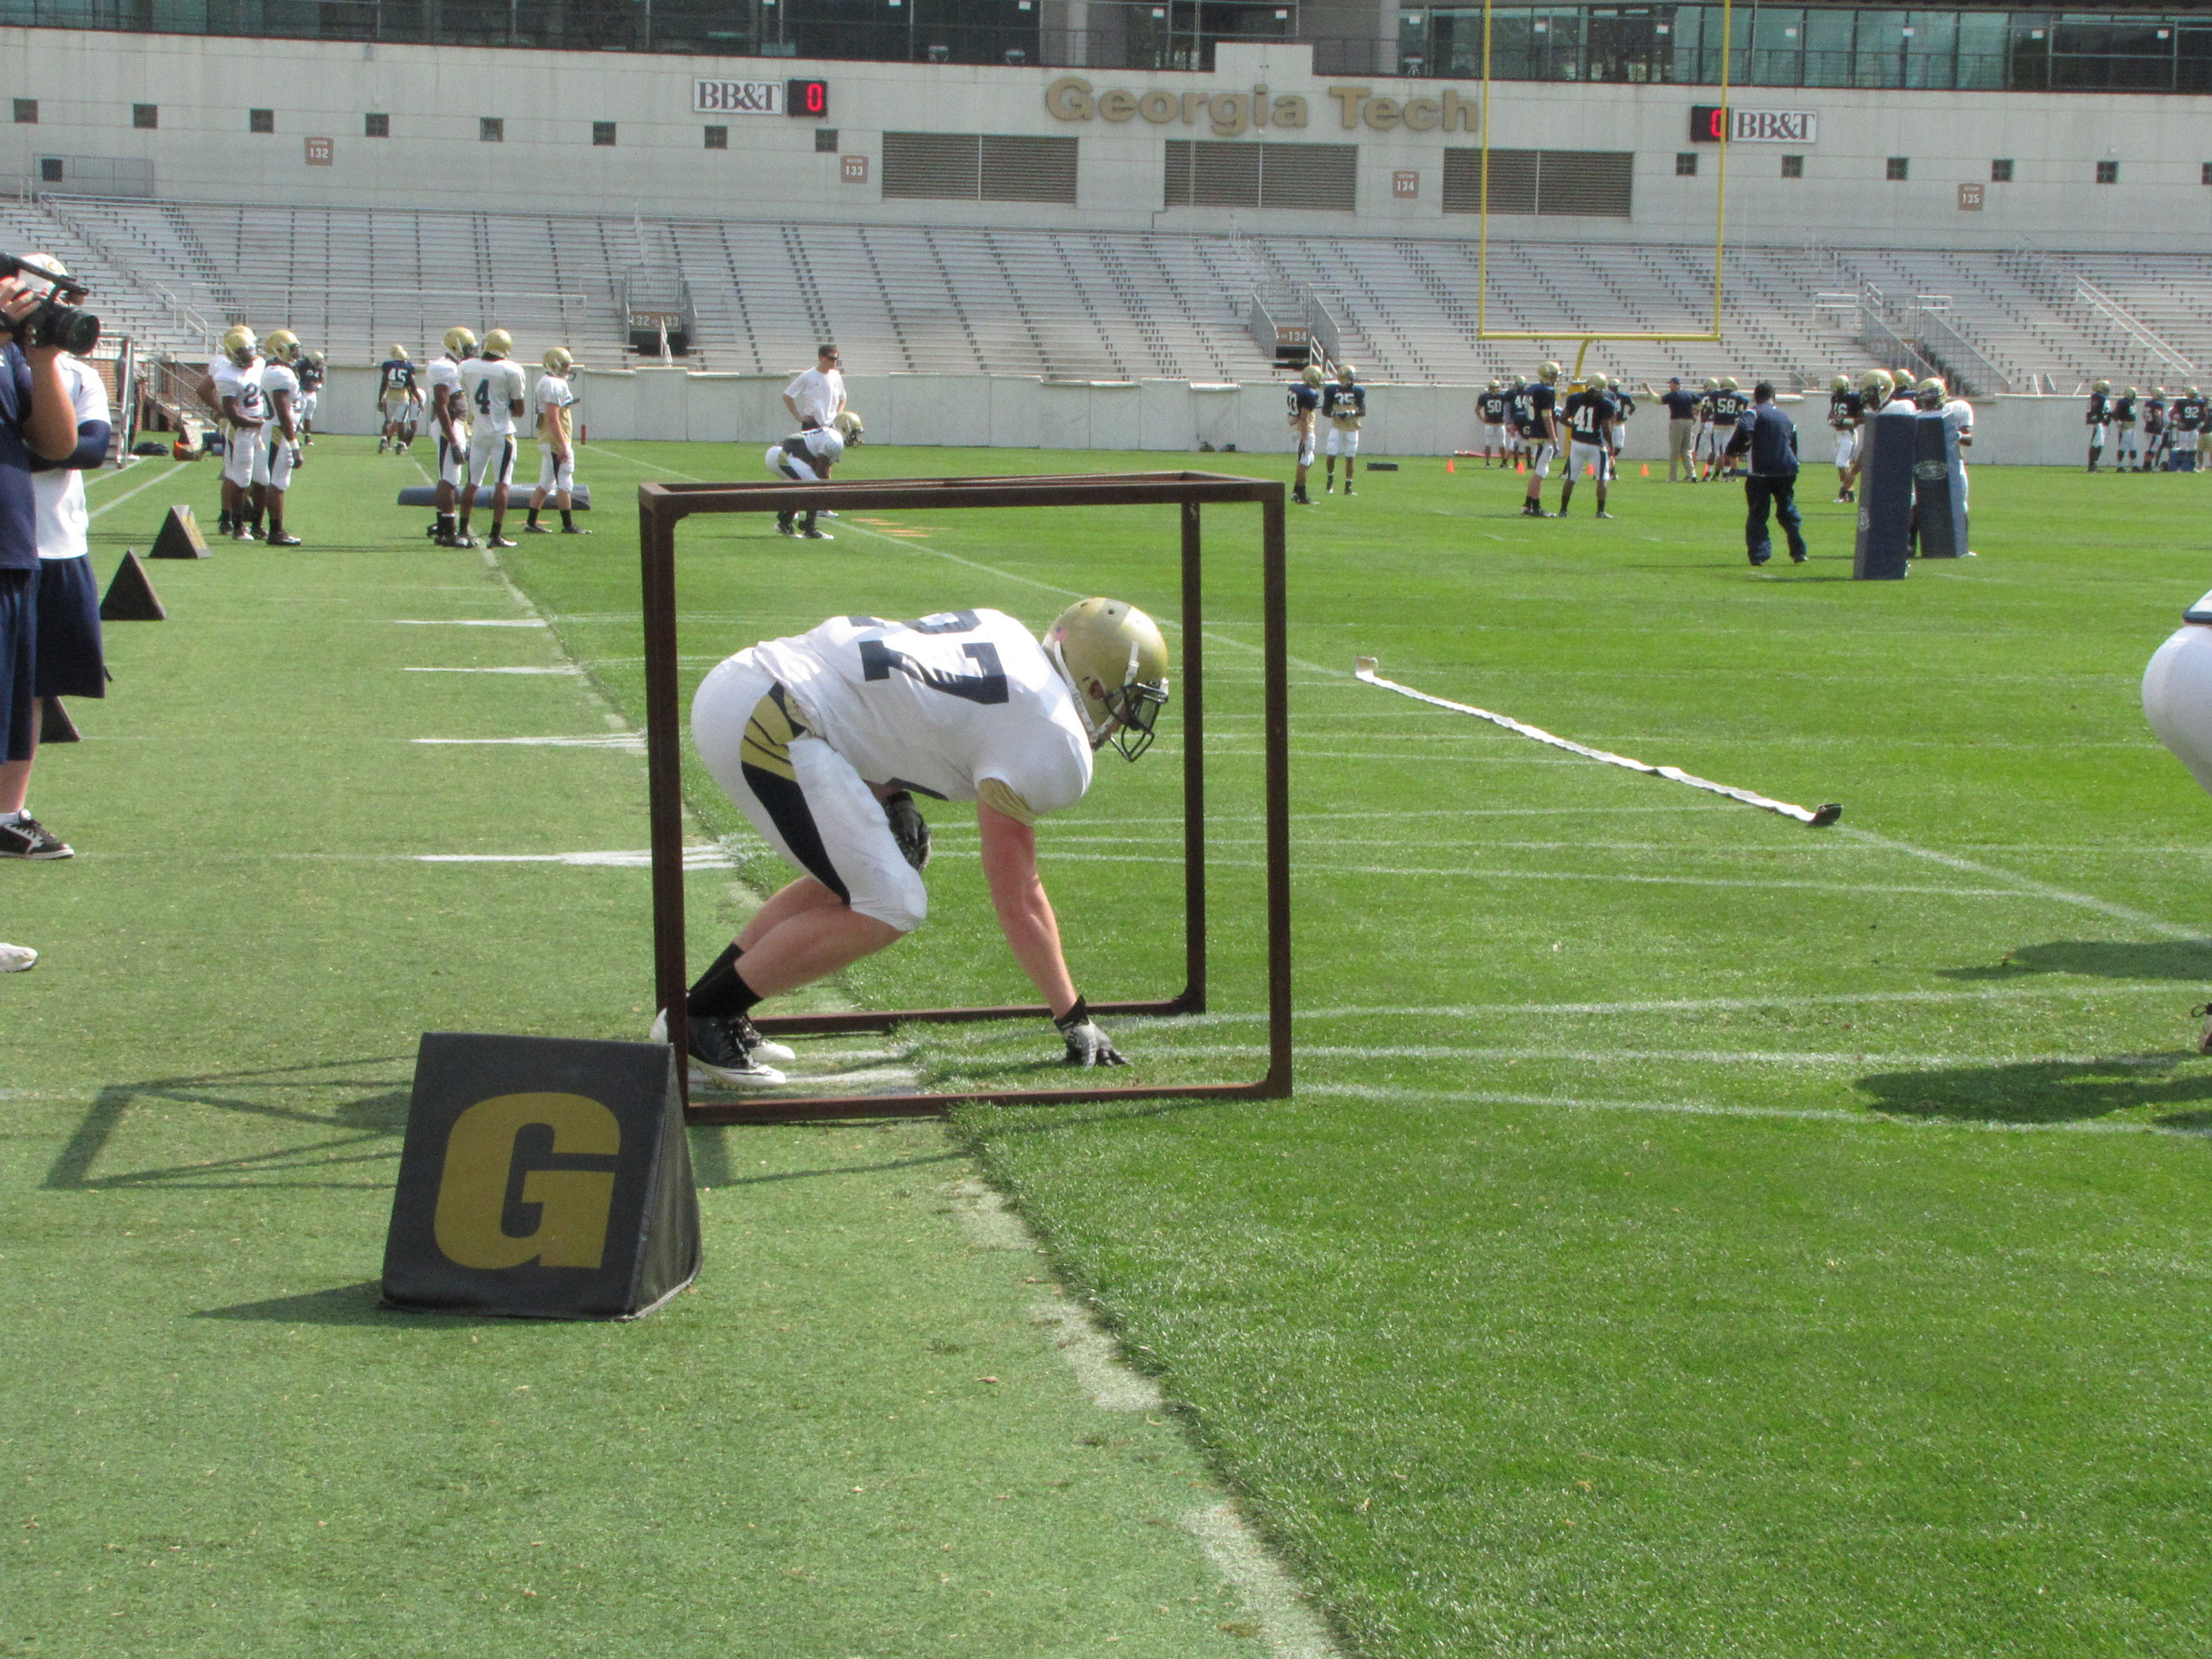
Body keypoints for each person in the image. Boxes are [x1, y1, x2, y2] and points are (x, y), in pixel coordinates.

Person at [673, 599, 1171, 1084]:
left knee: (871, 872)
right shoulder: (1052, 737)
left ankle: (698, 1011)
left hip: (757, 686)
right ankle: (704, 1016)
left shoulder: (1008, 634)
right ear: (1097, 685)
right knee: (894, 903)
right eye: (1128, 703)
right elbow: (1019, 892)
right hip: (773, 719)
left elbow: (891, 700)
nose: (1127, 721)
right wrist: (1071, 1013)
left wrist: (894, 798)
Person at [0, 261, 104, 912]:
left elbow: (73, 445)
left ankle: (10, 811)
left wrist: (37, 358)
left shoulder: (36, 365)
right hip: (19, 542)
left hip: (29, 546)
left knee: (26, 688)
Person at [457, 328, 527, 549]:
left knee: (472, 483)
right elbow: (519, 410)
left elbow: (466, 392)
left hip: (478, 432)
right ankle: (495, 535)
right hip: (501, 433)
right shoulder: (511, 370)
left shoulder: (467, 366)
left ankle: (462, 531)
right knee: (502, 484)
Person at [1725, 381, 1806, 568]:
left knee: (1758, 512)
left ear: (1755, 396)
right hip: (1786, 469)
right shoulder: (1784, 416)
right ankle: (1799, 551)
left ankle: (1759, 554)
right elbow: (1793, 442)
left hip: (1761, 471)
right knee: (1787, 510)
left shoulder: (1753, 412)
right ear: (1774, 397)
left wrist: (1734, 450)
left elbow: (1745, 431)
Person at [211, 326, 266, 541]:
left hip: (258, 432)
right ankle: (237, 526)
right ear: (233, 354)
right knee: (241, 478)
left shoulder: (259, 364)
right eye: (243, 352)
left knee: (263, 478)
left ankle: (258, 526)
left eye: (250, 351)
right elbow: (233, 415)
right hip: (241, 431)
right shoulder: (227, 375)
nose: (249, 356)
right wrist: (259, 421)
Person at [525, 346, 585, 534]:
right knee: (565, 480)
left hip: (548, 438)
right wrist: (563, 444)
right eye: (565, 366)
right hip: (554, 440)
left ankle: (531, 522)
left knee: (545, 484)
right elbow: (553, 417)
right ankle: (568, 524)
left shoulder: (547, 381)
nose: (567, 370)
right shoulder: (554, 384)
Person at [425, 327, 472, 547]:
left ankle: (442, 527)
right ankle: (449, 532)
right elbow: (441, 405)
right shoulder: (445, 367)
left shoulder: (453, 366)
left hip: (455, 425)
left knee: (448, 477)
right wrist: (453, 439)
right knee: (450, 479)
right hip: (449, 426)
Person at [257, 328, 303, 547]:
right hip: (278, 432)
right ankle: (276, 531)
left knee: (274, 482)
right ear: (280, 349)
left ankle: (266, 527)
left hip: (277, 430)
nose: (295, 353)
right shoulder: (279, 374)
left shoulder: (279, 371)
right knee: (277, 483)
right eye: (292, 349)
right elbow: (284, 414)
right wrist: (295, 445)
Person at [1555, 371, 1618, 518]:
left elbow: (1563, 419)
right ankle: (1600, 511)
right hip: (1595, 445)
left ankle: (1563, 510)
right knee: (1602, 478)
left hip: (1577, 442)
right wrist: (1610, 444)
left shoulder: (1575, 398)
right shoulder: (1605, 403)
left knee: (1571, 478)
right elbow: (1605, 427)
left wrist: (1576, 426)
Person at [766, 424, 844, 539]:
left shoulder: (829, 435)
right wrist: (827, 492)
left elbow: (816, 463)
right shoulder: (835, 440)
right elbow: (821, 470)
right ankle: (809, 528)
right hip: (783, 454)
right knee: (815, 486)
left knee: (803, 487)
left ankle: (785, 523)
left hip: (780, 452)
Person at [1518, 361, 1561, 517]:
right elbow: (1547, 416)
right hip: (1543, 436)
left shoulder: (1532, 389)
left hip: (1533, 432)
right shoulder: (1546, 390)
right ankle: (1536, 507)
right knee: (1540, 473)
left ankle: (1527, 505)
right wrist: (1554, 439)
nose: (1556, 378)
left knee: (1537, 471)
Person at [1321, 362, 1364, 495]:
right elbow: (1325, 410)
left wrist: (1350, 413)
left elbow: (1362, 411)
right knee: (1331, 454)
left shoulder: (1358, 390)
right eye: (1351, 375)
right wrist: (1336, 414)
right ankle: (1330, 482)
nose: (1353, 377)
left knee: (1350, 457)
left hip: (1352, 427)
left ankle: (1348, 487)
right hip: (1337, 426)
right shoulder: (1332, 390)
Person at [783, 343, 845, 434]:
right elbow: (787, 395)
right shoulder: (808, 376)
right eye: (831, 358)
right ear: (821, 357)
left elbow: (843, 398)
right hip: (812, 423)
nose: (834, 361)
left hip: (831, 424)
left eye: (836, 358)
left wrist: (838, 415)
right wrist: (798, 417)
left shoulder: (836, 376)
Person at [1286, 362, 1321, 505]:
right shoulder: (1310, 393)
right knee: (1304, 462)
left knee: (1308, 460)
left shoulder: (1294, 388)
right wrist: (1305, 438)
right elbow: (1304, 418)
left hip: (1294, 428)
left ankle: (1296, 490)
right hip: (1303, 430)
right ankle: (1301, 495)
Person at [1827, 373, 1864, 502]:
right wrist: (1832, 421)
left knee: (1841, 463)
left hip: (1849, 434)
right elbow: (1831, 414)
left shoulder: (1854, 398)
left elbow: (1863, 418)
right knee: (1844, 465)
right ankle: (1849, 494)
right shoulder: (1835, 399)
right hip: (1838, 435)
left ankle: (1844, 492)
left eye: (1837, 388)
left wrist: (1848, 421)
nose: (1835, 391)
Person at [376, 345, 415, 453]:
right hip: (403, 398)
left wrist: (380, 398)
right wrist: (417, 399)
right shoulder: (408, 367)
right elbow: (411, 385)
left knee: (388, 420)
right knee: (401, 421)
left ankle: (384, 438)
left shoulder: (388, 366)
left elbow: (384, 384)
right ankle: (401, 443)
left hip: (390, 398)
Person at [1475, 380, 1509, 466]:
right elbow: (1477, 410)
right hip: (1490, 423)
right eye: (1493, 388)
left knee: (1502, 444)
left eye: (1496, 388)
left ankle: (1503, 462)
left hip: (1499, 423)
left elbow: (1509, 407)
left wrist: (1507, 418)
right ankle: (1487, 462)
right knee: (1488, 443)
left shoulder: (1502, 396)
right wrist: (1482, 419)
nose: (1494, 390)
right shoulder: (1485, 397)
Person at [294, 348, 323, 445]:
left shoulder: (318, 367)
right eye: (317, 362)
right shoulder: (303, 364)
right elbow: (294, 369)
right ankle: (294, 437)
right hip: (302, 392)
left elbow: (321, 378)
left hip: (312, 392)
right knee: (298, 415)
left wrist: (319, 384)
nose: (319, 364)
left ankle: (307, 438)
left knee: (309, 416)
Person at [2085, 379, 2111, 472]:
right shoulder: (2098, 397)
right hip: (2098, 422)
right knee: (2096, 444)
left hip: (2100, 422)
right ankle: (2092, 465)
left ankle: (2094, 464)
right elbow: (2095, 409)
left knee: (2099, 444)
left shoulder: (2099, 397)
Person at [2143, 388, 2170, 472]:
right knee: (2152, 448)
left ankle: (2147, 466)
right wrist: (2160, 426)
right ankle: (2147, 466)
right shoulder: (2158, 404)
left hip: (2149, 427)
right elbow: (2157, 415)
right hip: (2155, 429)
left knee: (2152, 447)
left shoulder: (2148, 403)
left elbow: (2143, 415)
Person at [2114, 386, 2140, 471]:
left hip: (2132, 427)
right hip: (2125, 426)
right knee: (2123, 446)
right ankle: (2119, 465)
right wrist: (2118, 421)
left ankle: (2134, 465)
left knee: (2133, 446)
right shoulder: (2123, 402)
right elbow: (2116, 413)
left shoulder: (2131, 402)